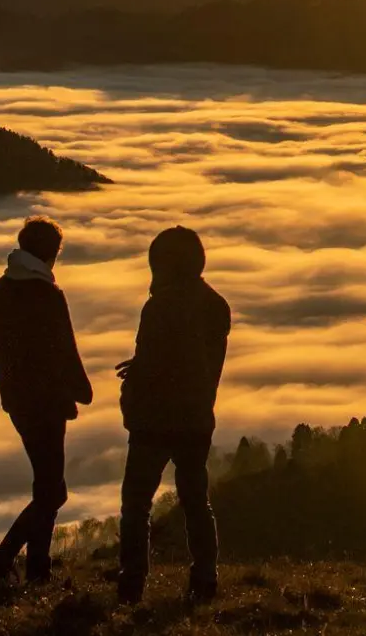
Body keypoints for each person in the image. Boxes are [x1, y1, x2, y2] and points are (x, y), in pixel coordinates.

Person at [116, 226, 232, 606]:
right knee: (196, 501)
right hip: (197, 417)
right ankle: (205, 578)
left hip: (154, 420)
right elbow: (197, 362)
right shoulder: (217, 305)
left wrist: (129, 397)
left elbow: (153, 364)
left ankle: (132, 583)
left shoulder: (159, 306)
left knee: (136, 504)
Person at [0, 217, 93, 584]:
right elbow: (65, 349)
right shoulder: (48, 294)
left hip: (17, 400)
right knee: (53, 489)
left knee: (45, 485)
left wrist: (12, 385)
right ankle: (4, 559)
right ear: (50, 253)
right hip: (48, 402)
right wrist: (82, 389)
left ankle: (37, 570)